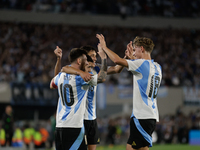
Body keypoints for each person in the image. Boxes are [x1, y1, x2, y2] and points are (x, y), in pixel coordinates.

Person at [56, 44, 132, 150]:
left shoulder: (96, 68)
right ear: (84, 57)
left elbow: (116, 69)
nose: (95, 58)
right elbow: (63, 70)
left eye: (96, 55)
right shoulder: (75, 71)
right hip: (79, 119)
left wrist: (125, 59)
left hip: (91, 117)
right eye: (93, 55)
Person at [96, 34, 162, 150]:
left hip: (142, 115)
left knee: (133, 148)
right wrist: (132, 58)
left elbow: (117, 61)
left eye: (135, 49)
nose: (134, 53)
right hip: (150, 114)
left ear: (141, 48)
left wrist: (105, 47)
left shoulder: (141, 64)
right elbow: (141, 71)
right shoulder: (157, 67)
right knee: (136, 147)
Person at [50, 47, 107, 150]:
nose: (87, 62)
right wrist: (104, 59)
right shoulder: (82, 78)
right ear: (79, 61)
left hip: (59, 127)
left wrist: (58, 60)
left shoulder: (61, 75)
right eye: (85, 59)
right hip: (74, 126)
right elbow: (102, 77)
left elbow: (53, 84)